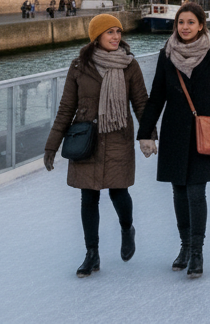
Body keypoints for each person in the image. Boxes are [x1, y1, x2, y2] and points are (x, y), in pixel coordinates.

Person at [43, 14, 150, 278]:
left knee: (118, 192)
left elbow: (141, 104)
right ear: (96, 37)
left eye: (118, 31)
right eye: (109, 32)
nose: (116, 37)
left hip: (117, 137)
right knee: (88, 196)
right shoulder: (79, 66)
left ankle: (127, 229)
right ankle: (92, 254)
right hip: (86, 139)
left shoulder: (129, 65)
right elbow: (67, 107)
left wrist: (148, 134)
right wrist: (51, 146)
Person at [137, 2, 210, 280]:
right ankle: (185, 246)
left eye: (191, 22)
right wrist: (146, 132)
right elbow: (156, 97)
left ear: (201, 25)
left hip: (204, 131)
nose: (185, 27)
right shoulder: (166, 55)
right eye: (181, 22)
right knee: (179, 191)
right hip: (175, 131)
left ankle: (197, 251)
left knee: (195, 192)